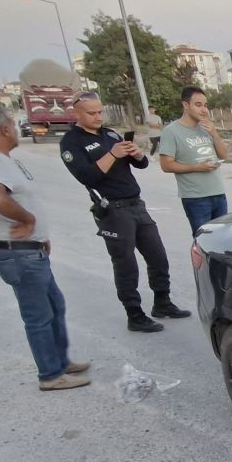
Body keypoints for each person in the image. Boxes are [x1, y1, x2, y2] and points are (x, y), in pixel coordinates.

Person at [0, 105, 90, 390]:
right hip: (17, 252)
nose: (14, 128)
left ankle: (60, 362)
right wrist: (28, 218)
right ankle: (50, 374)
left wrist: (39, 235)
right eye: (12, 123)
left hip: (27, 249)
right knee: (38, 315)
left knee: (54, 305)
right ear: (6, 129)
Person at [59, 91, 187, 333]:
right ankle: (135, 314)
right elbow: (86, 176)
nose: (98, 116)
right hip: (113, 211)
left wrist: (136, 154)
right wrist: (112, 154)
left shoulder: (109, 134)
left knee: (158, 256)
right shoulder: (71, 142)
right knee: (126, 264)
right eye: (91, 113)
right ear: (76, 113)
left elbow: (140, 164)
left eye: (100, 111)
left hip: (136, 204)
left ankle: (163, 302)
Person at [159, 86, 229, 234]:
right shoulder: (171, 131)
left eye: (205, 105)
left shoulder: (206, 128)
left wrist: (214, 134)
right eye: (198, 105)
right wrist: (197, 167)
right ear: (185, 105)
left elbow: (223, 155)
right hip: (196, 198)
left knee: (223, 240)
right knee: (203, 242)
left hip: (218, 193)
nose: (204, 110)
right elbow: (166, 165)